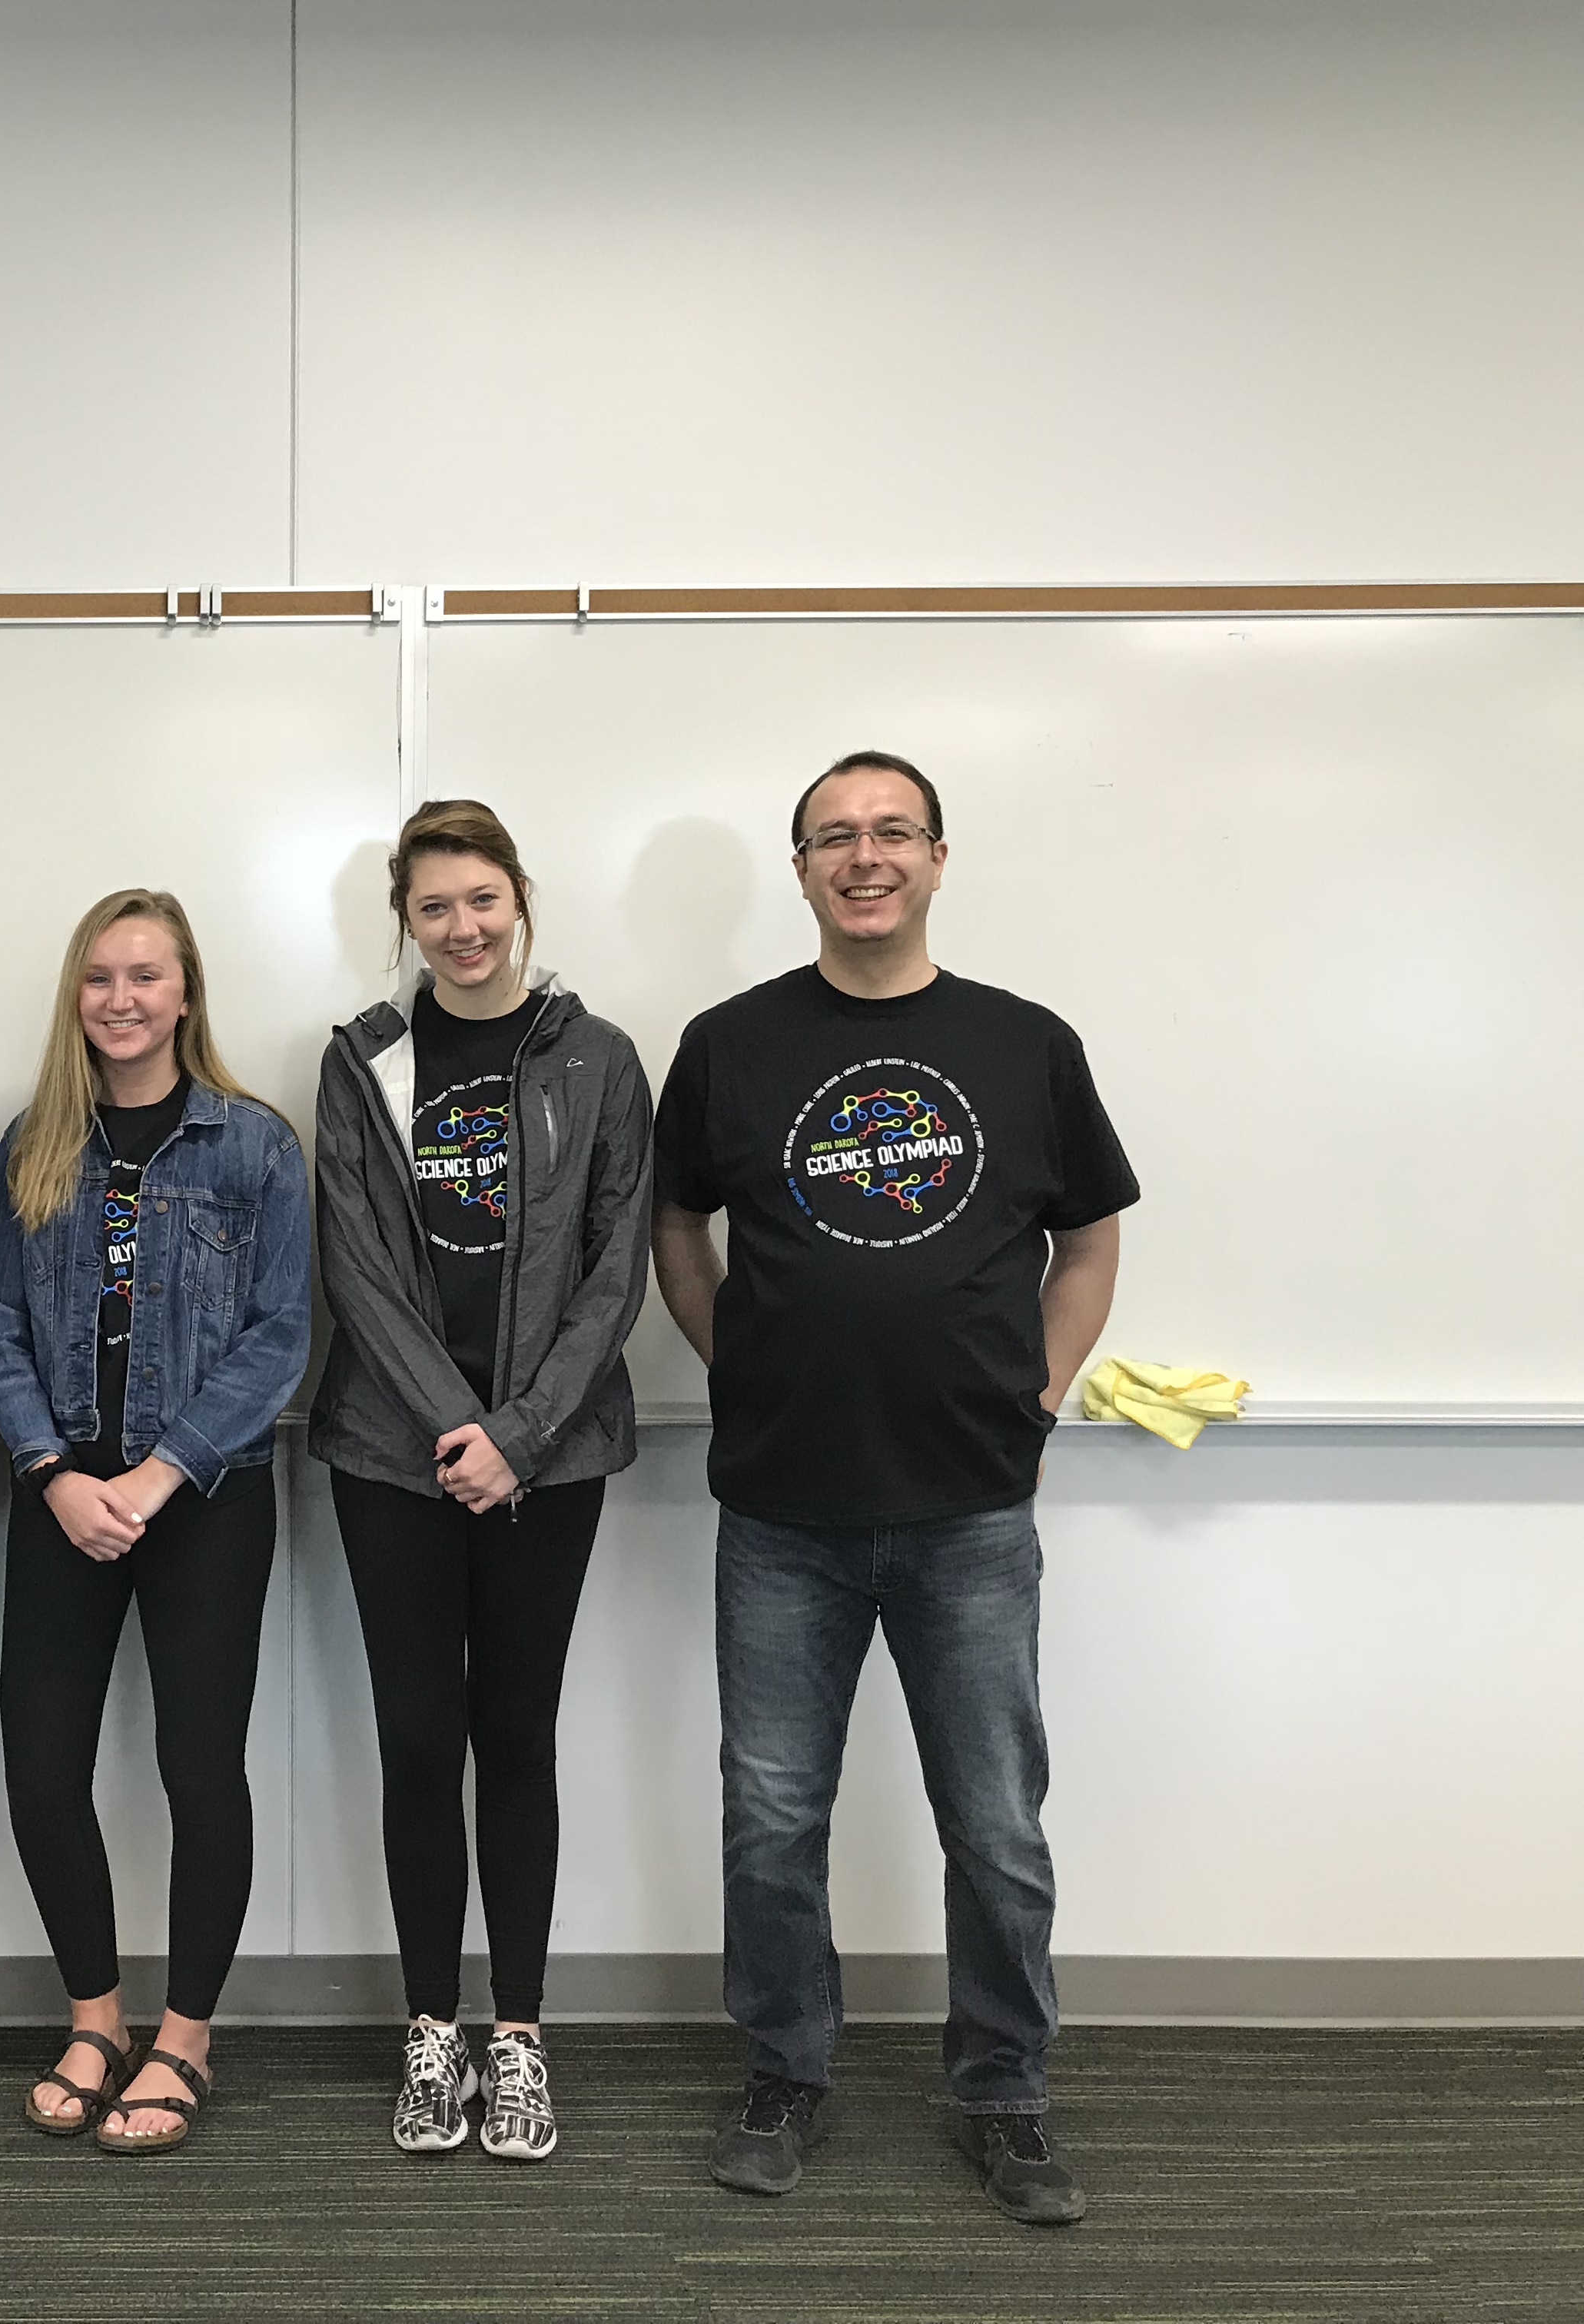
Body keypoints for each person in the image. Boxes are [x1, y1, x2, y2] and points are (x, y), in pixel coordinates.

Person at [653, 750, 1131, 2227]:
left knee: (996, 1825)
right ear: (800, 868)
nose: (865, 858)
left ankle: (1006, 2094)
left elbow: (1089, 1240)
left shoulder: (1026, 1044)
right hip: (781, 1509)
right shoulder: (728, 1044)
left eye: (893, 832)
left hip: (969, 1508)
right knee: (771, 1819)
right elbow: (677, 1227)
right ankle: (783, 2070)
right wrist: (746, 1368)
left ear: (936, 857)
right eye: (834, 838)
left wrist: (1040, 1394)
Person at [309, 802, 654, 2161]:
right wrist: (460, 1427)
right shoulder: (361, 1060)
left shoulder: (598, 1058)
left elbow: (618, 1266)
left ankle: (517, 2036)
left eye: (482, 900)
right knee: (417, 1743)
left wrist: (522, 1432)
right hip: (390, 1458)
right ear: (406, 919)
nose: (462, 929)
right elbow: (355, 1265)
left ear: (520, 899)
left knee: (517, 1738)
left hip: (549, 1462)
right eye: (434, 907)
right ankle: (429, 2031)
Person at [0, 890, 310, 2156]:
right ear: (78, 995)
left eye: (147, 976)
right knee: (42, 1764)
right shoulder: (33, 1144)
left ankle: (186, 2038)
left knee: (198, 1768)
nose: (122, 999)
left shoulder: (254, 1147)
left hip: (204, 1500)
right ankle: (95, 2019)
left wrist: (160, 1475)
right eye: (101, 977)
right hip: (62, 1496)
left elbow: (281, 1332)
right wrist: (53, 1471)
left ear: (186, 994)